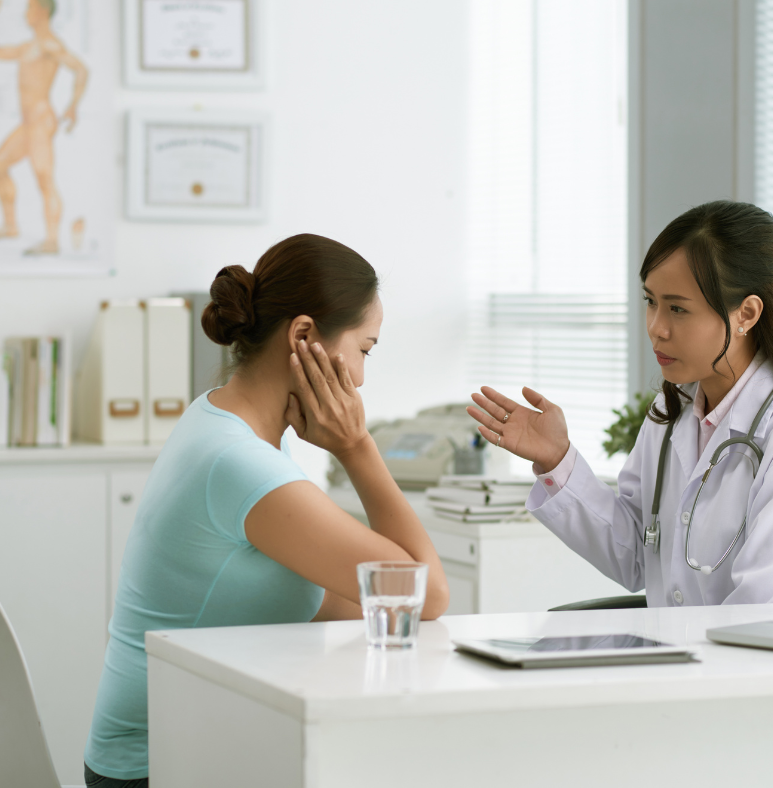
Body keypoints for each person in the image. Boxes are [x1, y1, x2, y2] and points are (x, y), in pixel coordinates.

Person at [83, 234, 449, 787]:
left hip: (186, 746)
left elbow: (336, 595)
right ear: (302, 336)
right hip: (154, 770)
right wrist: (357, 446)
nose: (362, 377)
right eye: (365, 350)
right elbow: (426, 593)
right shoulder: (237, 463)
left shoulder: (226, 422)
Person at [468, 200, 773, 608]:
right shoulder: (675, 411)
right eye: (650, 302)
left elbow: (763, 616)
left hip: (747, 663)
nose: (656, 328)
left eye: (677, 308)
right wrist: (557, 460)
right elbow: (635, 558)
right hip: (681, 656)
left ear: (746, 313)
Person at [0, 0, 88, 255]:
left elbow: (81, 69)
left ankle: (51, 240)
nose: (26, 13)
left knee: (44, 178)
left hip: (40, 120)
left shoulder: (50, 44)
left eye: (30, 8)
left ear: (41, 11)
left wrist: (72, 106)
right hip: (27, 123)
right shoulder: (29, 46)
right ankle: (11, 225)